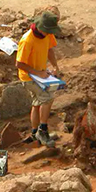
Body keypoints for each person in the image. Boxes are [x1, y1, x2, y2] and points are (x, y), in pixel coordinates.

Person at [16, 11, 61, 147]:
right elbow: (19, 64)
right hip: (28, 77)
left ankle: (35, 133)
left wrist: (55, 66)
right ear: (41, 28)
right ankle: (43, 130)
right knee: (48, 98)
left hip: (39, 74)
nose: (49, 34)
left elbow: (49, 49)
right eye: (48, 31)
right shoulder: (27, 40)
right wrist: (37, 73)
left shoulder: (47, 34)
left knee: (36, 103)